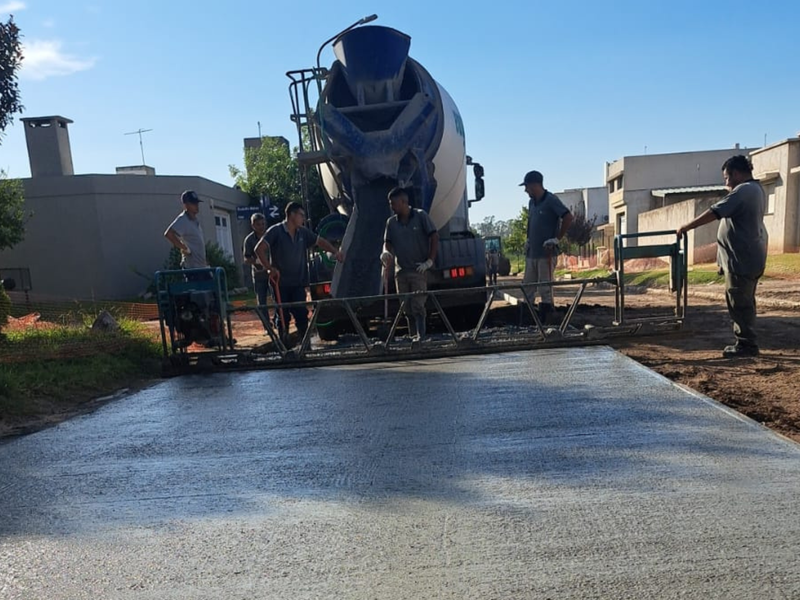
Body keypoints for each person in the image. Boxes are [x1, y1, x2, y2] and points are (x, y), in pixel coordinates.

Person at [677, 155, 767, 358]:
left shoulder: (743, 190)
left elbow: (714, 212)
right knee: (743, 301)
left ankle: (746, 345)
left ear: (736, 173)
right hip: (745, 257)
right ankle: (746, 341)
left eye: (727, 177)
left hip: (742, 260)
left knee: (739, 303)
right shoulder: (755, 190)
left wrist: (687, 227)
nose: (726, 182)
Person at [254, 202, 343, 340]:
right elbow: (259, 249)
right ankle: (284, 343)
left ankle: (304, 345)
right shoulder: (275, 231)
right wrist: (270, 269)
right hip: (280, 283)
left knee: (301, 313)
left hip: (298, 282)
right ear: (292, 215)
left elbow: (319, 241)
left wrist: (335, 251)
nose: (303, 218)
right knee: (283, 314)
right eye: (301, 215)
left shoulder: (303, 232)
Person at [381, 187, 439, 341]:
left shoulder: (421, 216)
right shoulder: (391, 223)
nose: (392, 207)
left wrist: (429, 261)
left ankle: (421, 336)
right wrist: (385, 252)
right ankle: (413, 336)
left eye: (394, 203)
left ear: (404, 202)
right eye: (390, 204)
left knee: (418, 305)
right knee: (406, 307)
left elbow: (434, 236)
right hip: (401, 271)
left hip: (418, 269)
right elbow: (388, 242)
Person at [520, 170, 573, 322]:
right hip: (532, 253)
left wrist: (556, 239)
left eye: (527, 186)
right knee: (528, 287)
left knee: (545, 288)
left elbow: (568, 217)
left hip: (546, 254)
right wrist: (528, 239)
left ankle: (547, 320)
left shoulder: (551, 200)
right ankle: (528, 320)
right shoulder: (532, 203)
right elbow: (531, 222)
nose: (526, 190)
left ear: (535, 185)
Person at [164, 190, 209, 280]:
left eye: (197, 203)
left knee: (213, 291)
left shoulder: (195, 220)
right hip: (192, 269)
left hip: (201, 267)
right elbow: (168, 234)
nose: (196, 206)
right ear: (186, 205)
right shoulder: (183, 219)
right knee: (197, 293)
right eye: (193, 203)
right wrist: (184, 248)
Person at [242, 212, 273, 329]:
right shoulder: (249, 240)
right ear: (253, 225)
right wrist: (256, 262)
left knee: (276, 299)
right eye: (259, 224)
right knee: (262, 301)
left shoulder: (270, 235)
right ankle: (267, 326)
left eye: (263, 224)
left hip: (272, 273)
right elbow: (246, 258)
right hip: (259, 274)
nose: (262, 226)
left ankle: (278, 321)